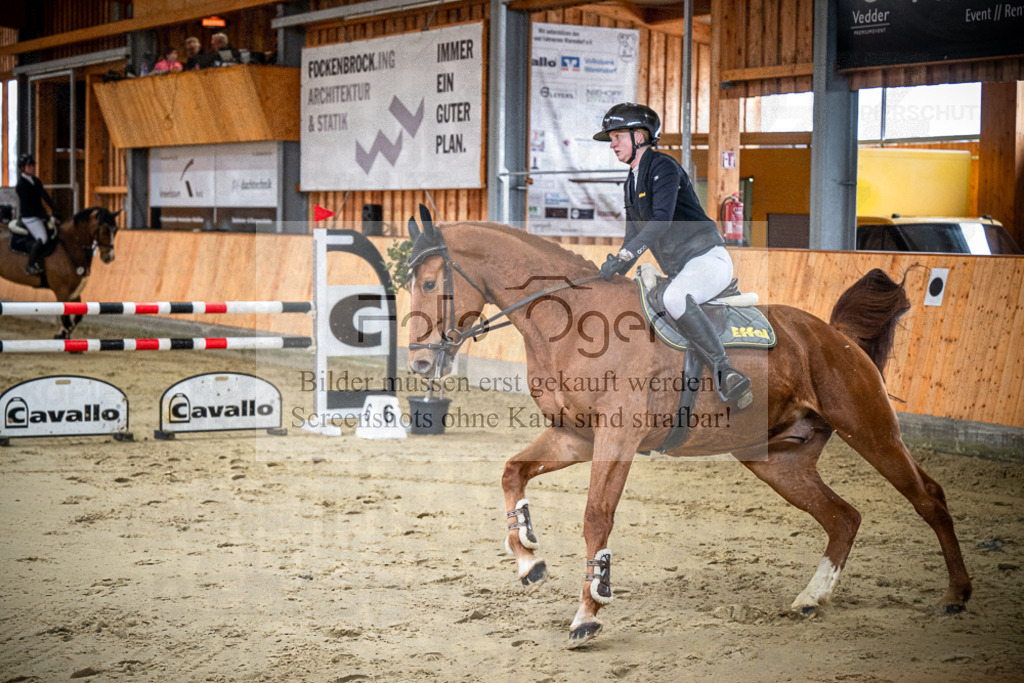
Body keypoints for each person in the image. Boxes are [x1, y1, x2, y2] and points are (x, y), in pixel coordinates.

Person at [594, 102, 752, 409]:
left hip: (707, 257)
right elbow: (632, 236)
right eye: (611, 138)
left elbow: (661, 221)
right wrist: (615, 270)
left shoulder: (663, 167)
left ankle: (726, 371)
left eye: (617, 137)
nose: (612, 144)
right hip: (682, 268)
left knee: (675, 298)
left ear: (640, 136)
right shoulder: (631, 181)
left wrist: (628, 253)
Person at [15, 154, 57, 276]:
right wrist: (45, 215)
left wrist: (54, 208)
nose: (32, 168)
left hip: (38, 214)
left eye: (33, 165)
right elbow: (30, 205)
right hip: (30, 217)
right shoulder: (21, 185)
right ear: (23, 168)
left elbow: (45, 196)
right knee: (42, 238)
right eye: (29, 166)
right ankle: (30, 265)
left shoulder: (36, 181)